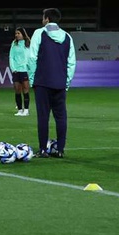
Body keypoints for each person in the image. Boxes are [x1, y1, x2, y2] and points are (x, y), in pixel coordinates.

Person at [29, 8, 76, 158]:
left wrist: (32, 80)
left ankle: (43, 150)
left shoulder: (39, 33)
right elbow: (72, 63)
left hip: (43, 82)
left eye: (43, 17)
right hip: (60, 83)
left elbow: (32, 58)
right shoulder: (67, 37)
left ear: (47, 19)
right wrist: (66, 82)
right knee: (61, 117)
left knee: (43, 117)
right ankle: (60, 150)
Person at [9, 28, 32, 117]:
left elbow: (30, 56)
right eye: (16, 33)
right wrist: (13, 68)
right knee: (17, 90)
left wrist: (29, 68)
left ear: (23, 34)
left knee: (25, 89)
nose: (16, 35)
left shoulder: (28, 43)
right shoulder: (14, 44)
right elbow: (11, 57)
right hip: (16, 70)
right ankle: (19, 110)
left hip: (25, 70)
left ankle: (26, 110)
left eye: (18, 33)